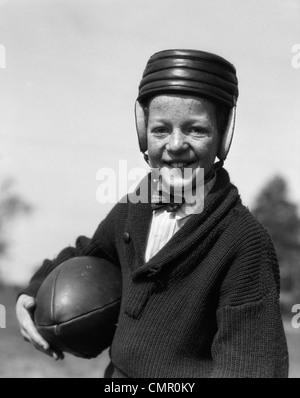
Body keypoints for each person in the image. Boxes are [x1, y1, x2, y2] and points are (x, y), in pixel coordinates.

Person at [16, 49, 289, 378]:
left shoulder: (244, 241)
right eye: (161, 130)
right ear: (143, 134)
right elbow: (89, 253)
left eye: (196, 130)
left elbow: (251, 364)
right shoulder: (135, 207)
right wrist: (34, 292)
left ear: (223, 137)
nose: (175, 145)